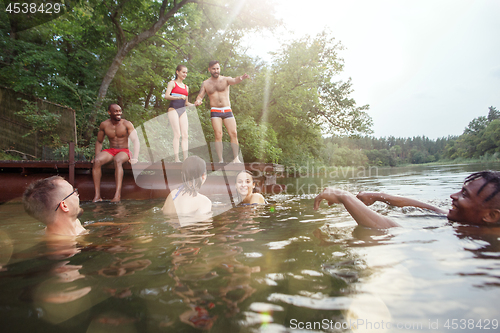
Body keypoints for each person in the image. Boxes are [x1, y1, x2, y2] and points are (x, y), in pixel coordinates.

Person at [314, 171, 500, 229]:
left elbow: (386, 227)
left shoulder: (481, 238)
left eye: (464, 195)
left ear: (491, 216)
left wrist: (344, 196)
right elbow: (427, 207)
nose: (453, 196)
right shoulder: (462, 219)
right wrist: (377, 196)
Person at [194, 60, 249, 163]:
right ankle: (220, 160)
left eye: (217, 68)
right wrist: (198, 100)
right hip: (215, 111)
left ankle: (236, 159)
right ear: (209, 69)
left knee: (233, 133)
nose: (216, 71)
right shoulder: (206, 83)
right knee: (218, 134)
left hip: (227, 109)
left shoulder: (225, 79)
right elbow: (200, 95)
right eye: (214, 69)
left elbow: (234, 80)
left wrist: (241, 78)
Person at [92, 104, 140, 202]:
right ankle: (97, 196)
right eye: (116, 111)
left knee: (117, 160)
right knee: (97, 161)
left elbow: (136, 141)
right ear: (109, 112)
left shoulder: (127, 124)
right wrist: (96, 155)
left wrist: (135, 157)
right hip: (111, 150)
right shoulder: (104, 125)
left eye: (120, 111)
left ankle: (117, 195)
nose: (119, 113)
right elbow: (99, 141)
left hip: (124, 151)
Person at [22, 176, 87, 236]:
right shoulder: (62, 246)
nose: (77, 195)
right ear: (64, 206)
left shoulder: (74, 222)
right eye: (73, 192)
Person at [164, 65, 193, 162]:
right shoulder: (172, 83)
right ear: (177, 72)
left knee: (185, 135)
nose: (185, 74)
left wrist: (194, 104)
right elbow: (167, 96)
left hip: (182, 110)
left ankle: (186, 159)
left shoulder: (186, 87)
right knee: (177, 135)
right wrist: (178, 97)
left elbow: (186, 102)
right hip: (173, 109)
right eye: (183, 72)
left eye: (186, 72)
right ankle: (177, 158)